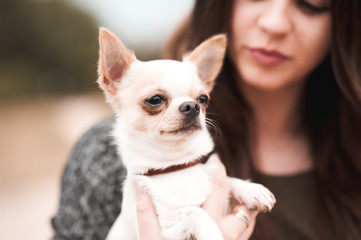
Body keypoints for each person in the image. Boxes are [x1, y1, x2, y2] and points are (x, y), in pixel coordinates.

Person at [51, 0, 361, 239]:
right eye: (155, 101)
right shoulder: (103, 159)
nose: (275, 23)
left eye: (310, 4)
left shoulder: (352, 152)